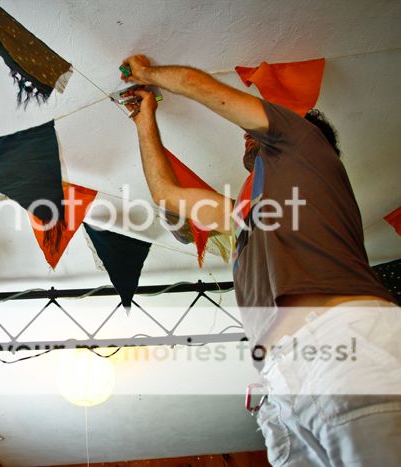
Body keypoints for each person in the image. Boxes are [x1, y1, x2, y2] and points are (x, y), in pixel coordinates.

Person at [120, 54, 400, 465]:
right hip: (280, 382)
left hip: (342, 339)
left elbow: (206, 89)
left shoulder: (303, 139)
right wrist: (145, 120)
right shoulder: (242, 216)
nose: (245, 134)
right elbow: (167, 195)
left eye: (254, 131)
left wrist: (147, 74)